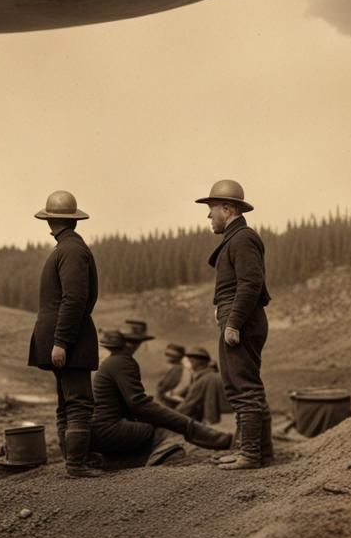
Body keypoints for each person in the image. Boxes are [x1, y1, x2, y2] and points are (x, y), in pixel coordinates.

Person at [196, 179, 272, 471]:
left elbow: (251, 283)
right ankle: (256, 452)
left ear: (227, 209)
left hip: (241, 321)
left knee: (244, 388)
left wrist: (233, 323)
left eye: (211, 209)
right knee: (244, 385)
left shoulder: (242, 239)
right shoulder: (237, 238)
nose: (208, 216)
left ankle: (250, 455)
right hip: (239, 320)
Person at [27, 190, 102, 478]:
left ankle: (73, 460)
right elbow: (74, 300)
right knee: (79, 401)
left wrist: (58, 340)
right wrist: (61, 342)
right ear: (73, 220)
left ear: (50, 221)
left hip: (60, 335)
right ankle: (76, 464)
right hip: (69, 337)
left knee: (66, 400)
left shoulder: (63, 250)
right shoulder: (73, 249)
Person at [90, 326, 231, 466]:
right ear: (122, 343)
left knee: (156, 428)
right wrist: (184, 424)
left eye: (137, 342)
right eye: (131, 342)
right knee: (164, 434)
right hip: (107, 430)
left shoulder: (111, 362)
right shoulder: (121, 362)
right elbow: (140, 405)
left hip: (99, 430)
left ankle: (111, 460)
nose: (135, 346)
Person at [176, 346, 228, 425]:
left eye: (190, 360)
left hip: (220, 423)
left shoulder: (203, 379)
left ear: (195, 362)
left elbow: (187, 406)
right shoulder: (212, 375)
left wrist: (170, 415)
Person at [156, 343, 192, 408]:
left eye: (169, 355)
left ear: (176, 356)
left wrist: (160, 388)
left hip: (170, 403)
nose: (167, 357)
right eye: (166, 355)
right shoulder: (182, 367)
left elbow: (165, 386)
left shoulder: (177, 368)